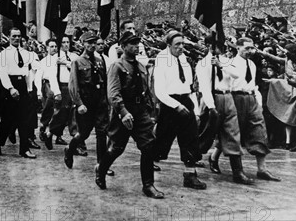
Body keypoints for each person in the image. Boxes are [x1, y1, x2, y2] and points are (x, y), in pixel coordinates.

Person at [95, 32, 163, 198]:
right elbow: (113, 93)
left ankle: (148, 185)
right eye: (132, 43)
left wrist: (150, 112)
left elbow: (146, 91)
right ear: (123, 47)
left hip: (140, 113)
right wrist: (123, 112)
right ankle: (101, 171)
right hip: (123, 113)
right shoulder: (117, 66)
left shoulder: (140, 66)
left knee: (148, 146)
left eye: (137, 42)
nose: (136, 46)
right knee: (117, 148)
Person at [153, 31, 206, 190]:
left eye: (183, 44)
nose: (181, 47)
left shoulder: (184, 59)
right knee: (162, 140)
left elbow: (190, 88)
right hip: (169, 104)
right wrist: (175, 105)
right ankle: (150, 165)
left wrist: (195, 111)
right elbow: (159, 90)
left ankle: (190, 175)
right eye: (177, 45)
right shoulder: (161, 60)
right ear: (168, 45)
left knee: (190, 139)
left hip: (186, 101)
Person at [198, 42, 254, 184]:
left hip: (228, 97)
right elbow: (205, 87)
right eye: (218, 46)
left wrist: (221, 65)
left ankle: (238, 172)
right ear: (210, 46)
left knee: (233, 133)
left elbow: (236, 75)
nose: (223, 49)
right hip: (213, 98)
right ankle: (191, 164)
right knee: (205, 135)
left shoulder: (226, 61)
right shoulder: (203, 64)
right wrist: (211, 107)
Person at [226, 37, 280, 181]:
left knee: (259, 131)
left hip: (251, 99)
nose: (250, 51)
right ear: (238, 48)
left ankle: (262, 169)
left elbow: (253, 85)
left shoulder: (252, 64)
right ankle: (237, 171)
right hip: (235, 99)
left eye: (252, 48)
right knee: (233, 133)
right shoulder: (230, 63)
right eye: (247, 48)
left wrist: (258, 103)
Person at [64, 32, 110, 176]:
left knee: (102, 133)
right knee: (83, 134)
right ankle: (69, 150)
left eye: (94, 43)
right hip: (86, 103)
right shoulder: (77, 62)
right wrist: (79, 103)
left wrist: (107, 101)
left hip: (100, 102)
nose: (91, 46)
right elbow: (73, 85)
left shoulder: (100, 60)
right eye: (88, 43)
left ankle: (101, 165)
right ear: (83, 44)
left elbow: (104, 82)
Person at [0, 27, 38, 158]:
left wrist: (29, 89)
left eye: (18, 36)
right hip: (10, 86)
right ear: (9, 37)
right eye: (14, 36)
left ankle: (24, 149)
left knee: (24, 119)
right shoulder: (4, 54)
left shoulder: (25, 53)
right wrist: (10, 88)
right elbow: (2, 73)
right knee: (8, 120)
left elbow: (28, 72)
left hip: (22, 85)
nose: (16, 39)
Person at [44, 35, 79, 150]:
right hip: (62, 86)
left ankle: (76, 140)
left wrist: (66, 63)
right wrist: (56, 92)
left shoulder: (73, 56)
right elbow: (52, 76)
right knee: (62, 113)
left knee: (74, 113)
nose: (66, 44)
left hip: (73, 86)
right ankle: (50, 132)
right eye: (63, 42)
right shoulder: (55, 58)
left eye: (67, 42)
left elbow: (76, 67)